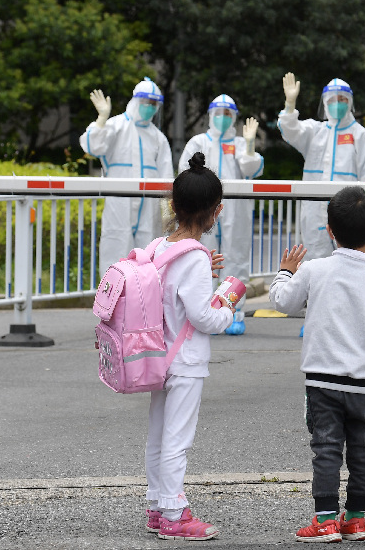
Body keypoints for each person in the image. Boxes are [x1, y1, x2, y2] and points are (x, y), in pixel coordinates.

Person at [269, 186, 365, 543]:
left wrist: (285, 272)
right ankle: (356, 518)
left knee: (326, 448)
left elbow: (283, 301)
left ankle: (326, 520)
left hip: (323, 381)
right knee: (363, 450)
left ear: (329, 230)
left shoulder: (314, 270)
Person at [144, 152, 237, 541]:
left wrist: (202, 275)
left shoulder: (158, 247)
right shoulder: (195, 258)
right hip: (185, 362)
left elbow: (166, 291)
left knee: (158, 435)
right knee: (177, 439)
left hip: (157, 358)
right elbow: (202, 317)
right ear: (216, 211)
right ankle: (174, 513)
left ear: (174, 205)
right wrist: (227, 308)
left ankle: (156, 506)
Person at [179, 94, 264, 335]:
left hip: (236, 210)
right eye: (218, 113)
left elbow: (252, 169)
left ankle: (235, 313)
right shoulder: (198, 142)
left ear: (234, 117)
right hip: (203, 208)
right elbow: (184, 173)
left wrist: (249, 145)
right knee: (202, 257)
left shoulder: (239, 144)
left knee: (235, 258)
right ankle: (203, 312)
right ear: (210, 115)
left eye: (228, 114)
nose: (223, 118)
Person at [277, 74, 365, 261]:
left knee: (350, 262)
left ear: (350, 102)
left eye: (342, 99)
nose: (337, 103)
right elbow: (291, 130)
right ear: (325, 102)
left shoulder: (362, 136)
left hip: (349, 214)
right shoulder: (315, 131)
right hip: (314, 213)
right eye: (332, 99)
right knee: (316, 264)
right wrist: (290, 104)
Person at [79, 77, 174, 277]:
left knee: (148, 257)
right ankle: (111, 296)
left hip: (148, 208)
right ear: (135, 100)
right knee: (116, 249)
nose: (149, 107)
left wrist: (168, 213)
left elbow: (167, 179)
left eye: (154, 103)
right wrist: (101, 119)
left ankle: (144, 297)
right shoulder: (116, 125)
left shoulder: (158, 138)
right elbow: (92, 146)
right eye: (146, 102)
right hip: (119, 204)